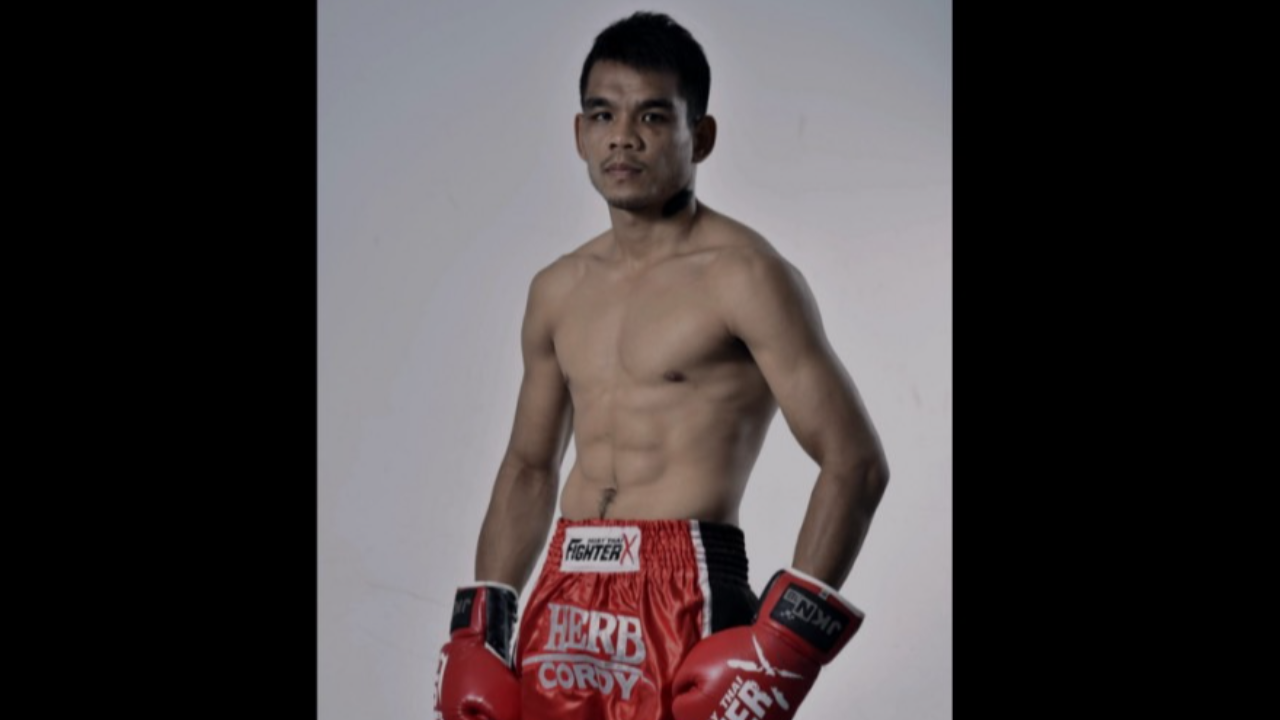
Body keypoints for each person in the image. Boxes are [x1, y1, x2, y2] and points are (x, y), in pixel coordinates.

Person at [433, 11, 888, 720]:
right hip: (564, 588)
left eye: (651, 116)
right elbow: (528, 467)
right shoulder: (558, 288)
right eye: (602, 115)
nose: (622, 136)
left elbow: (854, 462)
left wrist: (784, 643)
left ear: (699, 137)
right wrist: (481, 628)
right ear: (579, 134)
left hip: (686, 588)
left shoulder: (744, 276)